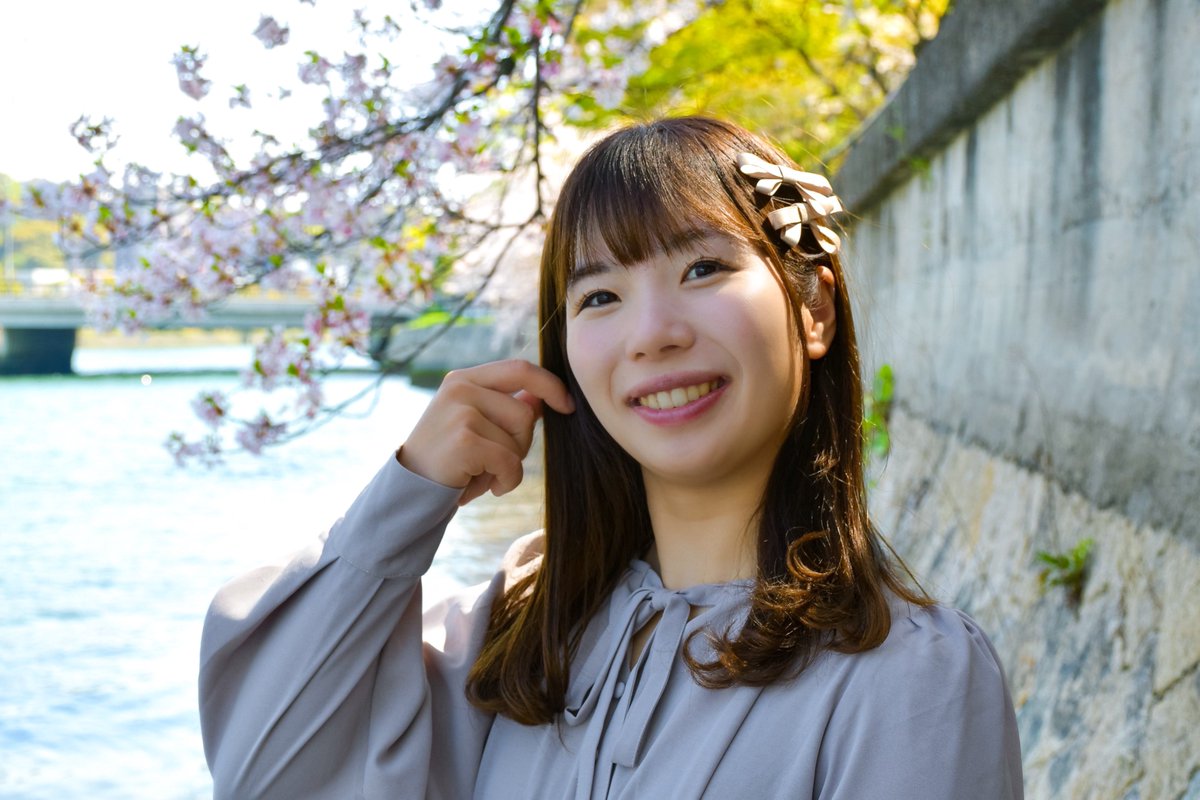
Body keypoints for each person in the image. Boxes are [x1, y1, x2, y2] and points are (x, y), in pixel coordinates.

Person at [200, 117, 1023, 799]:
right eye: (600, 296)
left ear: (811, 307)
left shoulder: (912, 677)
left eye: (703, 268)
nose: (651, 332)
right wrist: (407, 496)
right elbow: (270, 773)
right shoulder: (521, 633)